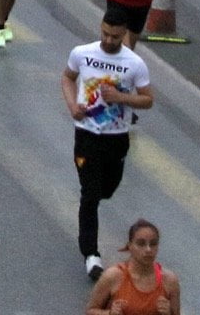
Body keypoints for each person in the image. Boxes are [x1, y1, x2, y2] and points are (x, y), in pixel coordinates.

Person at [63, 16, 154, 278]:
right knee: (89, 194)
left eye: (114, 36)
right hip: (87, 134)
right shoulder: (82, 53)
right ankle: (90, 254)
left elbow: (148, 100)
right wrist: (72, 106)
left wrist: (121, 97)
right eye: (105, 33)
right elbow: (68, 78)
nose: (108, 40)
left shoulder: (134, 64)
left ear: (124, 33)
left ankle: (95, 202)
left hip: (116, 137)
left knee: (108, 189)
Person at [86, 218, 181, 315]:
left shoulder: (169, 281)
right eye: (141, 244)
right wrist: (109, 313)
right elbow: (90, 311)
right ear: (130, 246)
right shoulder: (113, 277)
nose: (148, 249)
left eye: (153, 244)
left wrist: (169, 313)